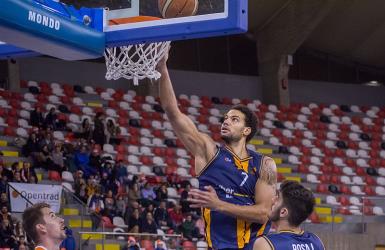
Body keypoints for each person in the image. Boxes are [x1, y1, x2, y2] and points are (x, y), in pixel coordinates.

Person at [157, 51, 277, 249]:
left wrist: (219, 205)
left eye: (234, 119)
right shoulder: (208, 152)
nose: (226, 121)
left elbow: (264, 213)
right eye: (226, 118)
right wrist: (162, 68)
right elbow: (172, 111)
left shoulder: (265, 164)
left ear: (246, 131)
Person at [253, 181, 325, 250]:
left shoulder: (265, 243)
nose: (273, 199)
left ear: (283, 212)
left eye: (277, 198)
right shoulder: (316, 242)